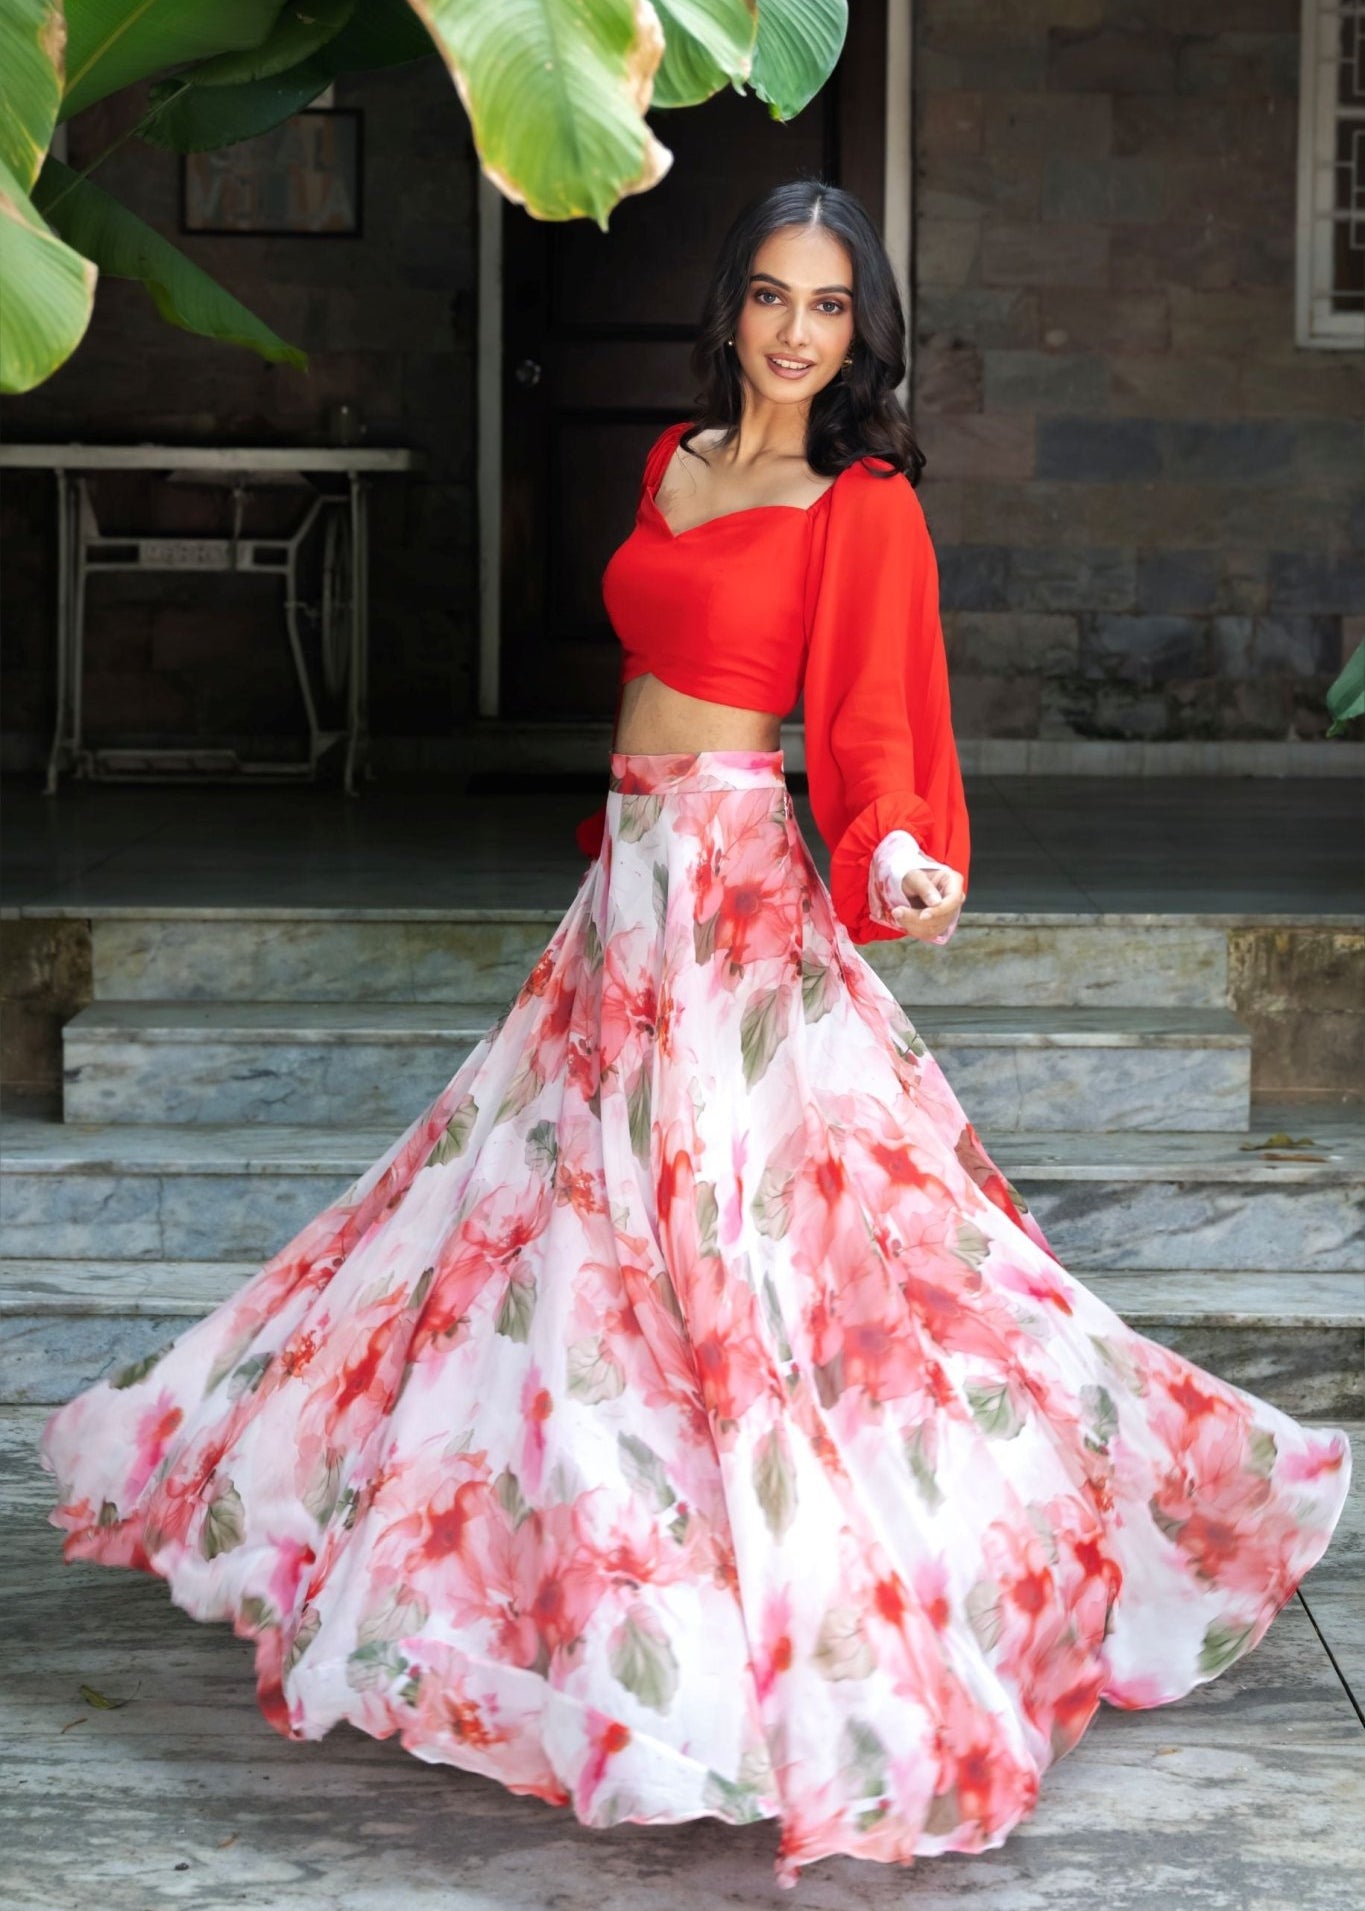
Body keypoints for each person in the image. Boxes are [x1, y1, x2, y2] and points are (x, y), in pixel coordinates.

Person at [38, 181, 1352, 1892]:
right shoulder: (672, 458)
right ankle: (578, 1614)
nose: (797, 332)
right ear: (729, 307)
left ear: (860, 333)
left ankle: (808, 1620)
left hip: (732, 899)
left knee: (744, 1252)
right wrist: (622, 861)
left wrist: (896, 850)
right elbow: (646, 679)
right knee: (538, 1236)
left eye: (829, 306)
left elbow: (873, 721)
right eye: (771, 297)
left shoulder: (861, 501)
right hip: (630, 894)